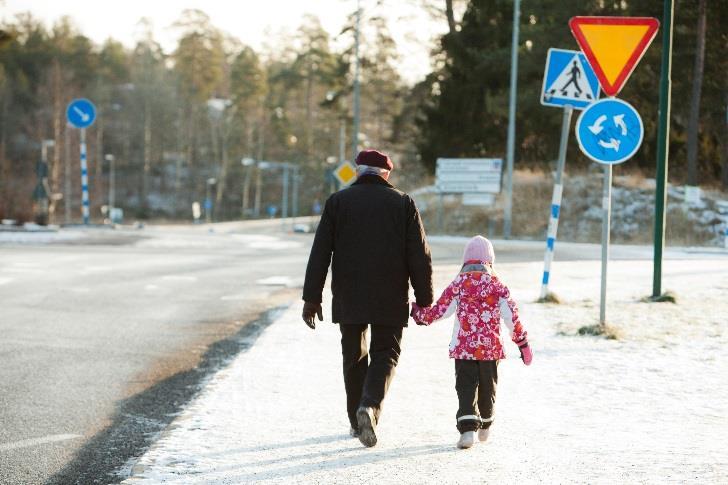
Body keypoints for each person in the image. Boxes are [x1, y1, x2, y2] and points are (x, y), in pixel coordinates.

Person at [302, 149, 433, 448]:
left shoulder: (338, 202)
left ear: (359, 171)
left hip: (349, 294)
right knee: (386, 352)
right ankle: (370, 407)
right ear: (386, 174)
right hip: (390, 294)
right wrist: (424, 299)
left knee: (354, 355)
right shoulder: (403, 203)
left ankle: (355, 420)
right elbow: (419, 255)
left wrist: (312, 298)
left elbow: (320, 251)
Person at [410, 235, 533, 449]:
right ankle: (485, 424)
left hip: (464, 349)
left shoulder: (459, 283)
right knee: (488, 388)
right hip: (490, 350)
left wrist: (419, 314)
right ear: (490, 261)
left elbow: (441, 311)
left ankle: (467, 432)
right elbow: (512, 318)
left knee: (465, 388)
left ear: (465, 261)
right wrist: (522, 343)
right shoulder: (498, 286)